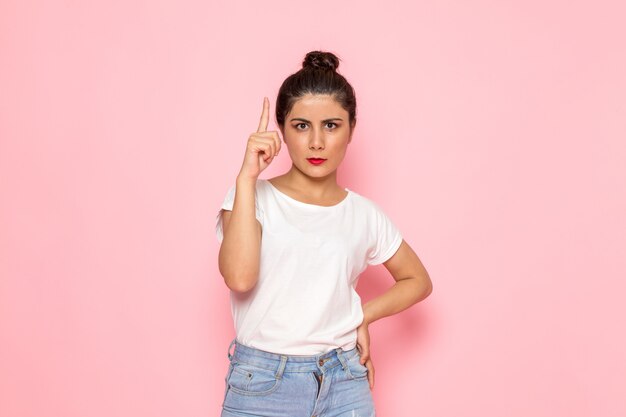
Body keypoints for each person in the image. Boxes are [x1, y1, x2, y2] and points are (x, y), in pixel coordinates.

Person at [215, 50, 432, 417]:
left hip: (344, 380)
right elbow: (239, 277)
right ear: (281, 130)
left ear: (351, 129)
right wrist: (246, 178)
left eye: (331, 125)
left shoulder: (363, 214)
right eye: (301, 126)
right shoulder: (252, 195)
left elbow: (418, 280)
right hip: (262, 385)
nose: (316, 142)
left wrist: (363, 315)